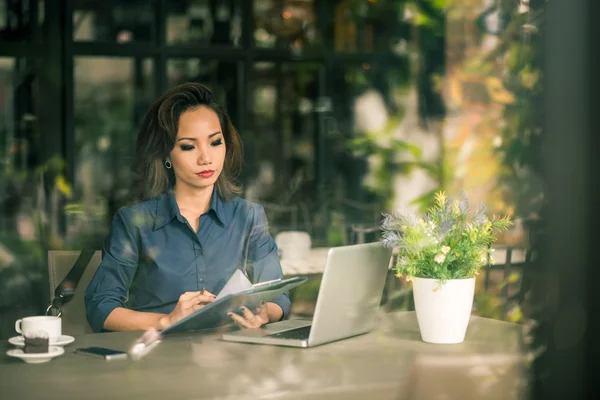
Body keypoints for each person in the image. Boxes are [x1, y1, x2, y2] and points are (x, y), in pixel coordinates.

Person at [84, 83, 290, 333]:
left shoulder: (248, 216)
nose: (205, 158)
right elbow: (101, 307)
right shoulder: (134, 221)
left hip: (232, 358)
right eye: (188, 146)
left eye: (215, 142)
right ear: (167, 155)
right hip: (158, 358)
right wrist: (165, 321)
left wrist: (263, 314)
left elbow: (278, 297)